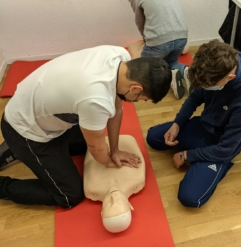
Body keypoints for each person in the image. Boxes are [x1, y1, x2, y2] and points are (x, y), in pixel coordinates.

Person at [0, 45, 171, 208]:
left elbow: (117, 109)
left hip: (32, 111)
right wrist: (109, 161)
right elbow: (96, 148)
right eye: (143, 99)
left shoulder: (121, 58)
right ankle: (8, 174)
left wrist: (115, 149)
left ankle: (17, 150)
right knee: (69, 196)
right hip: (26, 131)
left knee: (91, 138)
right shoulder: (95, 99)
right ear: (136, 88)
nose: (139, 102)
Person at [146, 39, 241, 208]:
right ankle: (196, 155)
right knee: (153, 138)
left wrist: (186, 155)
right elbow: (194, 97)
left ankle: (214, 166)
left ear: (229, 78)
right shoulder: (211, 68)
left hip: (219, 146)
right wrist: (177, 124)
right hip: (201, 127)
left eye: (208, 86)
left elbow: (226, 149)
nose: (204, 88)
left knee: (189, 198)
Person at [127, 0, 191, 100]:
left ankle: (170, 75)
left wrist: (145, 38)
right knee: (169, 60)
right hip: (182, 37)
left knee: (144, 70)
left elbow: (140, 21)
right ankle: (184, 70)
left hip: (159, 40)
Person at [84, 135, 145, 233]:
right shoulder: (137, 179)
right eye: (119, 203)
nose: (114, 197)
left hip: (93, 141)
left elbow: (88, 161)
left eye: (109, 204)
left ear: (102, 212)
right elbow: (131, 143)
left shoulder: (90, 188)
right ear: (130, 206)